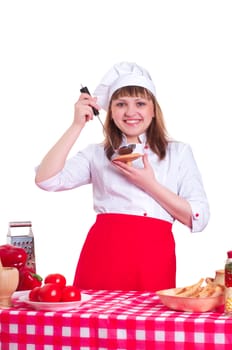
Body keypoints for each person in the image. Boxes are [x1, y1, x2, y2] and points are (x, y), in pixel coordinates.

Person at [35, 61, 210, 292]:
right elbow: (46, 179)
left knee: (147, 326)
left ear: (153, 110)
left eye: (140, 103)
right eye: (120, 104)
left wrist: (149, 183)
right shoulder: (97, 154)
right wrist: (77, 125)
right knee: (93, 326)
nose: (130, 112)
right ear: (111, 111)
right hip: (101, 256)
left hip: (153, 259)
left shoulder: (178, 153)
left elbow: (198, 217)